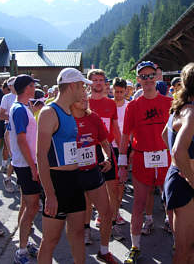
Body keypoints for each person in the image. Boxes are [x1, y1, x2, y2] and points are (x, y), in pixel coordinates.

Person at [118, 61, 172, 263]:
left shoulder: (169, 103)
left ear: (157, 77)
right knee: (139, 204)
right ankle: (135, 246)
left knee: (171, 203)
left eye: (151, 76)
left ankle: (177, 241)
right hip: (142, 158)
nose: (148, 80)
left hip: (165, 159)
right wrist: (123, 165)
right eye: (144, 76)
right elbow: (125, 137)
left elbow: (176, 134)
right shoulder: (133, 106)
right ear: (138, 80)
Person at [162, 61, 194, 263]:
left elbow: (165, 134)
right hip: (187, 184)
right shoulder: (191, 113)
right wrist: (189, 177)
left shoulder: (185, 109)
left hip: (189, 179)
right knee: (183, 248)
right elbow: (177, 149)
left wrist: (180, 165)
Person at [37, 68, 89, 264]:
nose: (84, 90)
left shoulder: (69, 111)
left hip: (74, 180)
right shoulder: (49, 112)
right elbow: (41, 155)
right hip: (57, 183)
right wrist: (49, 194)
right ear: (73, 85)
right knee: (50, 240)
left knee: (77, 233)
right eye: (82, 85)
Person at [71, 91, 117, 263]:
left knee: (106, 212)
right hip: (72, 174)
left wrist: (107, 159)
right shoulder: (65, 119)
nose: (84, 100)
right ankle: (79, 254)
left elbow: (105, 143)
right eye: (80, 97)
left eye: (85, 97)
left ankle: (104, 251)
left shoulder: (94, 118)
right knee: (77, 217)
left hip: (92, 171)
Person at [87, 69, 123, 241]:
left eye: (101, 80)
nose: (99, 83)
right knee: (87, 193)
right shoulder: (82, 102)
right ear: (89, 83)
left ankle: (112, 224)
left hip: (107, 150)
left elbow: (115, 129)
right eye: (95, 80)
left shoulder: (110, 104)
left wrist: (123, 151)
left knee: (113, 190)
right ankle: (86, 229)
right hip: (87, 151)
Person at [9, 74, 40, 264]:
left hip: (24, 163)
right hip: (25, 164)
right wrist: (32, 166)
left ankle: (24, 242)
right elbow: (21, 140)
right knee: (32, 206)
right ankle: (21, 252)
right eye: (32, 85)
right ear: (26, 88)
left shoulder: (22, 107)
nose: (34, 88)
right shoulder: (19, 109)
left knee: (26, 206)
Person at [112, 77, 129, 226]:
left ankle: (116, 212)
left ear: (126, 92)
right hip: (110, 147)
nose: (118, 95)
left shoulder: (129, 106)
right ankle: (107, 213)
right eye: (116, 92)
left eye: (121, 92)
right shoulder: (108, 105)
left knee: (121, 182)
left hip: (124, 148)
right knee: (110, 183)